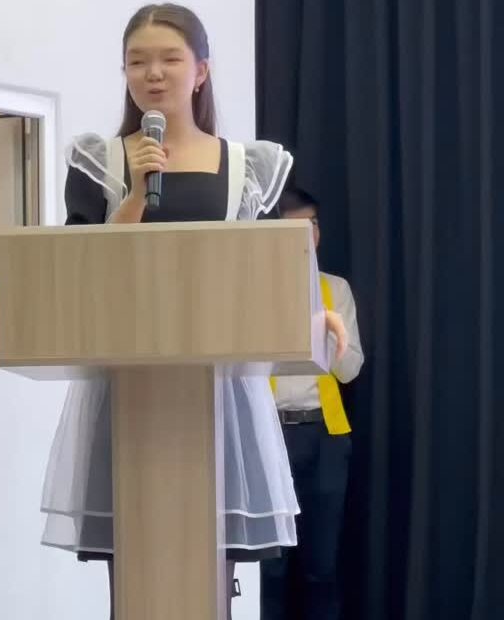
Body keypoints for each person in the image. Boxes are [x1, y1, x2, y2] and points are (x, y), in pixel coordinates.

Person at [39, 5, 348, 618]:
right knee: (135, 563)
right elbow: (80, 273)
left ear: (201, 71)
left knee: (213, 568)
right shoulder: (98, 161)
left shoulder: (249, 166)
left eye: (170, 59)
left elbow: (267, 267)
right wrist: (134, 196)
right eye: (137, 62)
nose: (153, 73)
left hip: (220, 394)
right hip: (127, 387)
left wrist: (313, 312)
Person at [260, 187, 364, 620]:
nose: (310, 234)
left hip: (324, 437)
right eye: (298, 227)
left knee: (322, 568)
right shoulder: (256, 290)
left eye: (314, 224)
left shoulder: (335, 289)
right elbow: (242, 369)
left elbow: (351, 369)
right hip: (268, 437)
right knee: (270, 568)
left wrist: (327, 335)